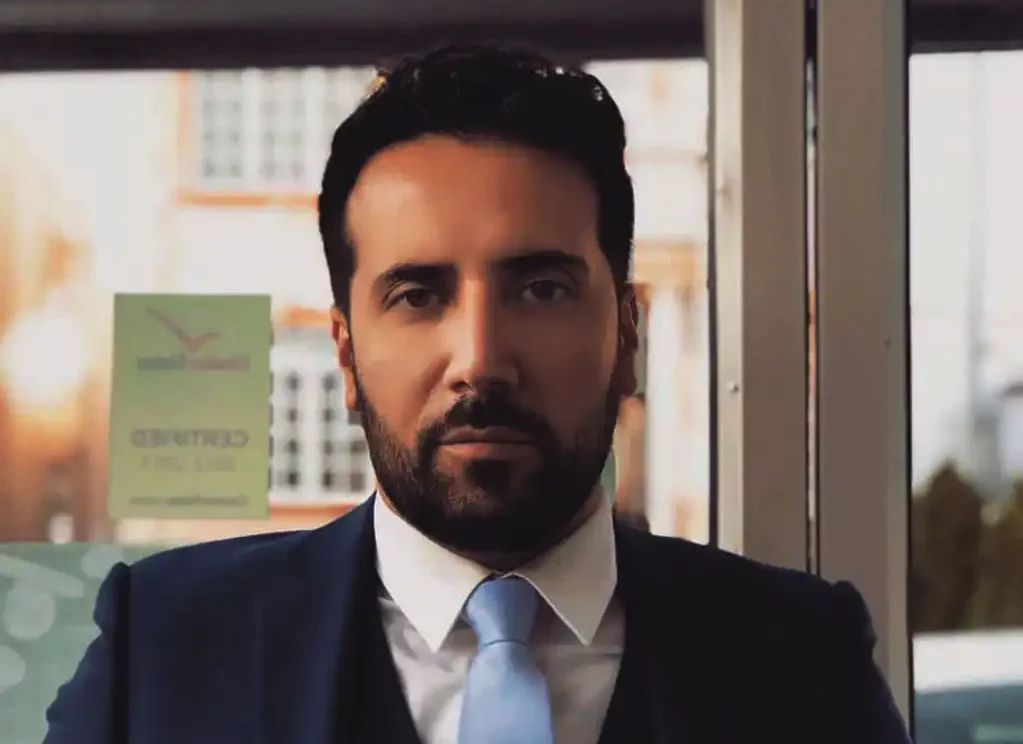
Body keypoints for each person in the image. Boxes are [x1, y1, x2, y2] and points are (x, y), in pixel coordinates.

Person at [44, 44, 911, 744]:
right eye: (417, 296)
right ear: (344, 356)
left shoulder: (805, 661)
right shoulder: (165, 649)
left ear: (627, 338)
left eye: (540, 289)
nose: (480, 360)